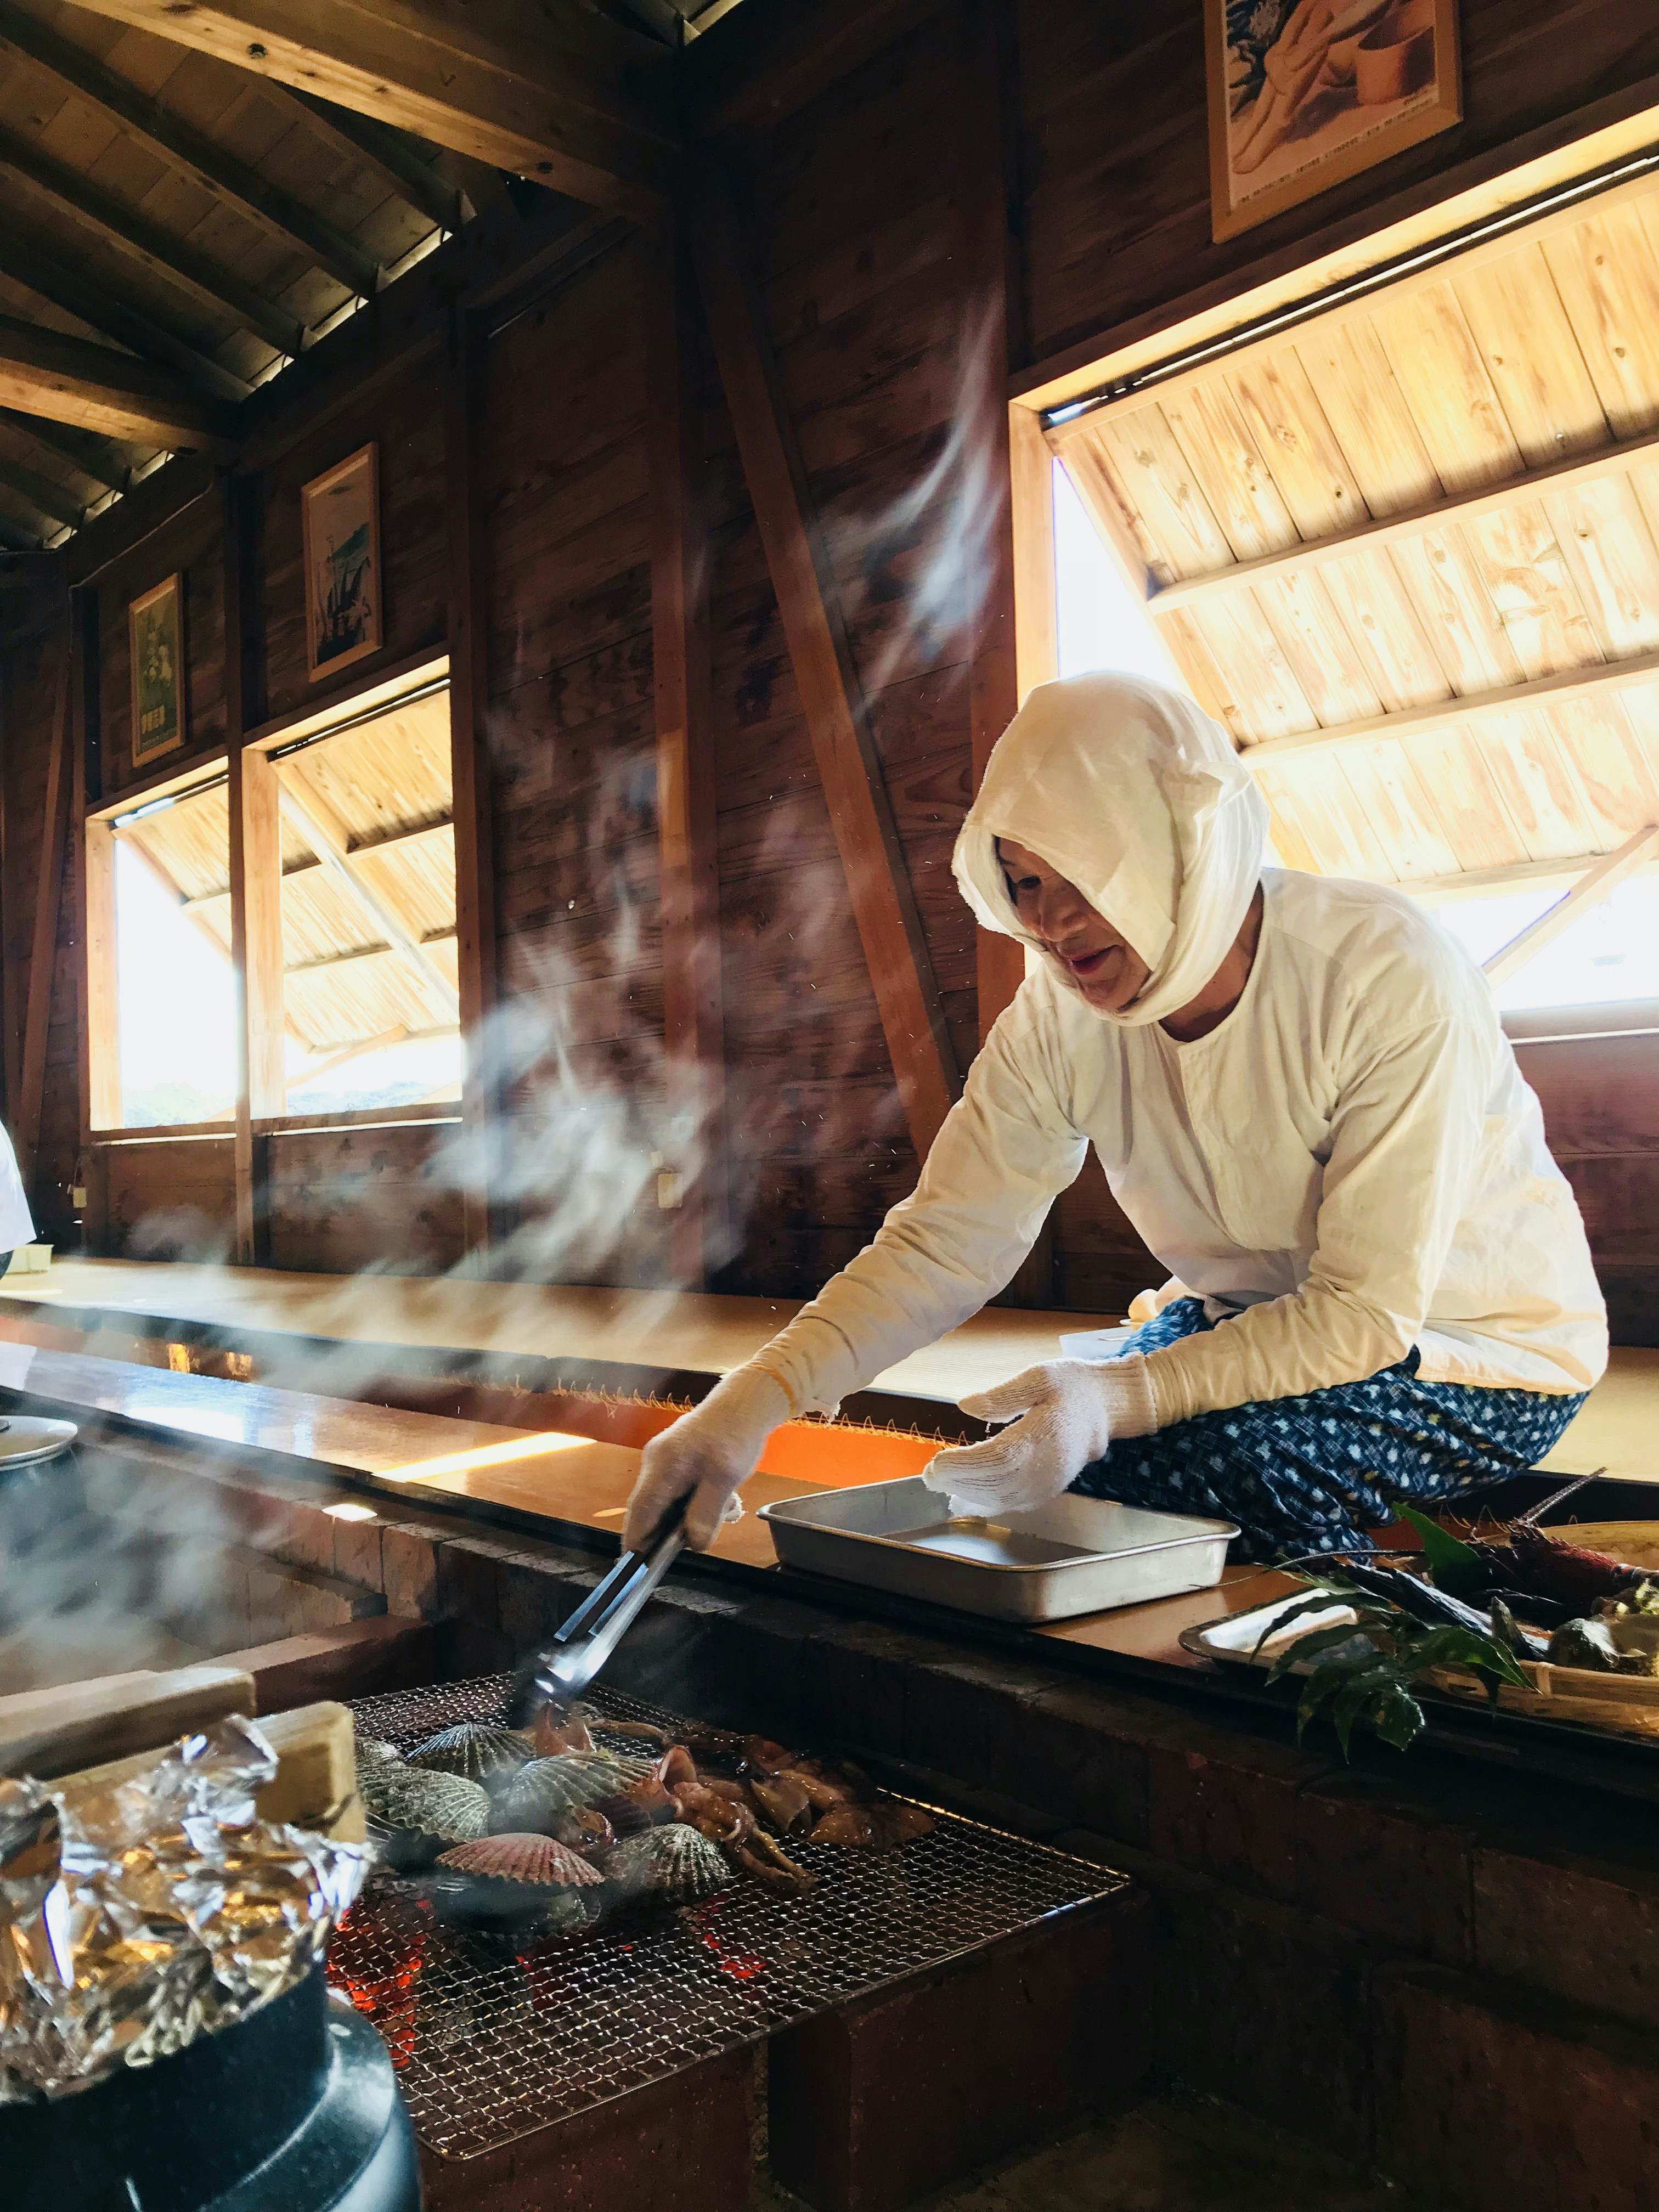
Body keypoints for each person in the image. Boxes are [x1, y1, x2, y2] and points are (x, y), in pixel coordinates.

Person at [624, 674, 1607, 1561]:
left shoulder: (1382, 974)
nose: (1050, 924)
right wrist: (749, 1402)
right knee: (1036, 1463)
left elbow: (1362, 1315)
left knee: (1213, 1476)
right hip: (1248, 1321)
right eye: (1026, 885)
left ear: (1177, 849)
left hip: (1474, 1350)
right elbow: (946, 1241)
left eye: (1082, 875)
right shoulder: (1057, 1017)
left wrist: (1118, 1399)